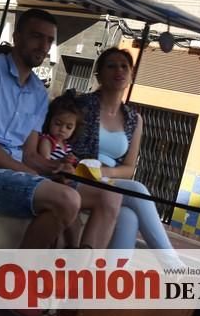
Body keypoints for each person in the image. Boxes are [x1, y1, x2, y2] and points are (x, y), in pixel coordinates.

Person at [0, 8, 81, 252]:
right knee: (67, 200)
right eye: (36, 37)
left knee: (97, 195)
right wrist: (29, 173)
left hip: (12, 173)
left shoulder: (39, 92)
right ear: (17, 36)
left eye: (49, 40)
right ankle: (18, 276)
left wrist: (55, 167)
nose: (43, 46)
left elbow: (30, 154)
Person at [69, 47, 180, 257]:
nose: (118, 70)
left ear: (132, 73)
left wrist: (103, 173)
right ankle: (171, 263)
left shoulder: (133, 119)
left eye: (124, 66)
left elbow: (128, 168)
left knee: (129, 216)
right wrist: (87, 169)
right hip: (77, 176)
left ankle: (110, 280)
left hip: (108, 181)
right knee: (137, 190)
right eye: (111, 66)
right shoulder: (81, 106)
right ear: (99, 74)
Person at [38, 94, 122, 248]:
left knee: (77, 217)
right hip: (55, 183)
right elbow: (46, 163)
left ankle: (79, 251)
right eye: (58, 123)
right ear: (49, 120)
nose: (62, 130)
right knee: (71, 216)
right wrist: (62, 164)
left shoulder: (67, 147)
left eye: (68, 127)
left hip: (69, 184)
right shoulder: (47, 141)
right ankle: (74, 249)